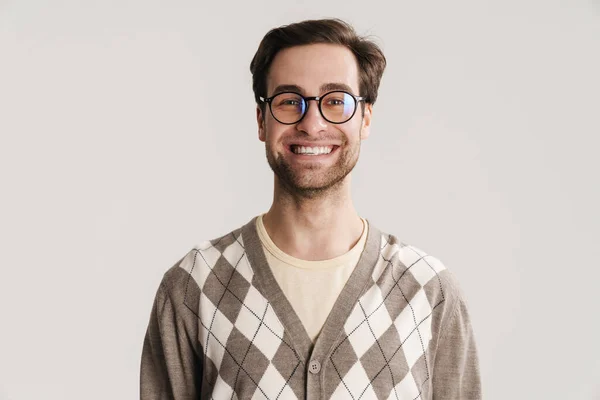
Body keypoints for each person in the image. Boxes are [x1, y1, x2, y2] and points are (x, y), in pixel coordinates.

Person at [140, 18, 481, 400]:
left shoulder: (428, 292)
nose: (312, 123)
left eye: (336, 101)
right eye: (289, 101)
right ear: (261, 119)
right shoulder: (195, 286)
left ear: (365, 117)